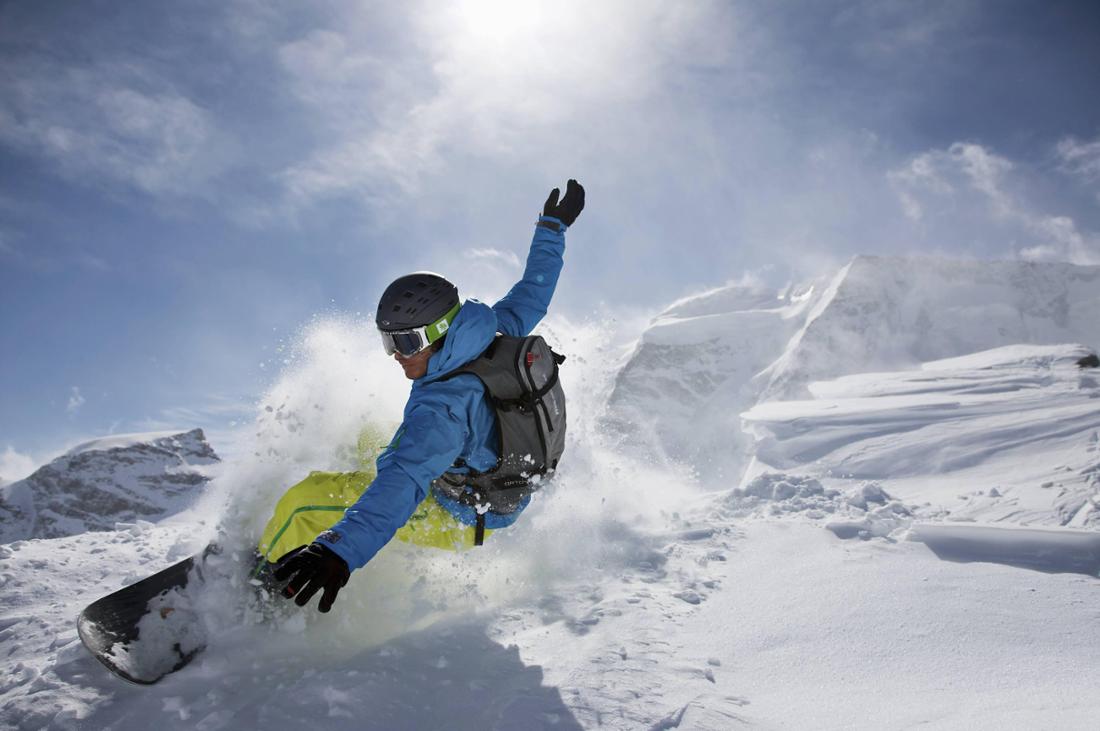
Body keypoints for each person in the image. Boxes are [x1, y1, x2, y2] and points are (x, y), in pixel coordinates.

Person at [269, 179, 585, 613]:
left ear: (436, 334)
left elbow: (407, 479)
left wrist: (340, 551)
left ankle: (258, 587)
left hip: (462, 518)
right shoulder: (492, 330)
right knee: (370, 438)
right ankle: (359, 497)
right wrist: (552, 227)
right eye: (387, 343)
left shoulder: (441, 408)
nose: (396, 356)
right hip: (494, 486)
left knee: (302, 499)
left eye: (405, 343)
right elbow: (534, 289)